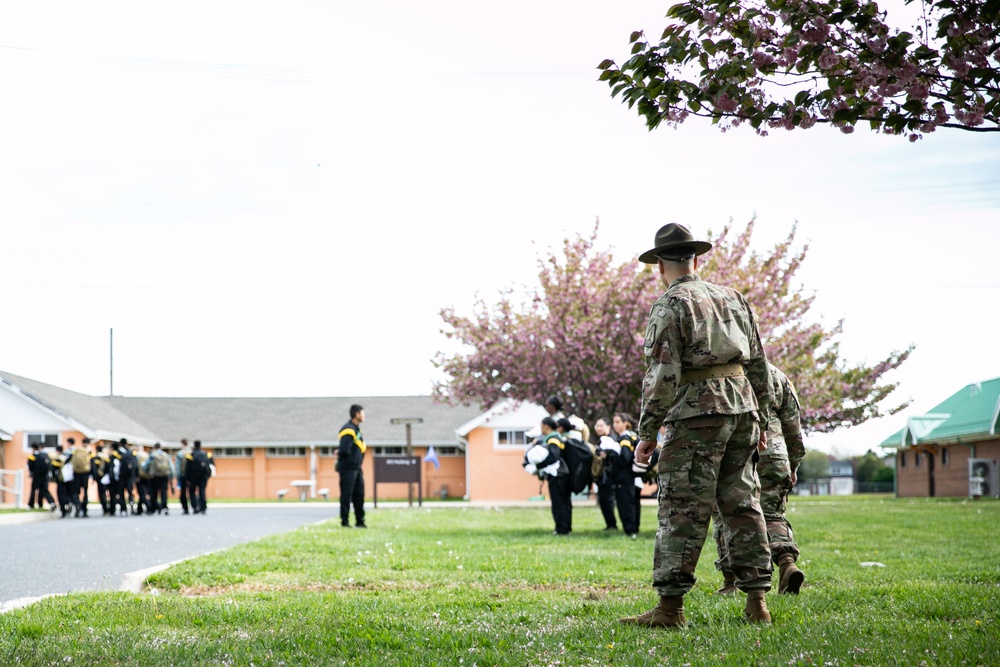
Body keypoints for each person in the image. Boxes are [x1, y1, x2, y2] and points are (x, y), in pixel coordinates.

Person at [619, 222, 775, 628]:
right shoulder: (733, 298)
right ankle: (757, 603)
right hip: (743, 409)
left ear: (659, 266)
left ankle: (670, 610)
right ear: (696, 259)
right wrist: (763, 419)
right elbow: (759, 364)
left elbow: (662, 374)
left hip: (696, 415)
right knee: (743, 504)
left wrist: (647, 432)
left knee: (682, 509)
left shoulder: (670, 304)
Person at [714, 363, 806, 595]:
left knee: (730, 515)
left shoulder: (726, 371)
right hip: (774, 453)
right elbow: (793, 427)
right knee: (773, 514)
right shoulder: (777, 376)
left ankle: (731, 581)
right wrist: (793, 464)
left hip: (738, 450)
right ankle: (786, 563)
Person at [522, 416, 572, 535]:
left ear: (546, 426)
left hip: (558, 475)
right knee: (564, 502)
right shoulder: (555, 437)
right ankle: (565, 527)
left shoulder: (553, 439)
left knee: (559, 503)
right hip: (562, 474)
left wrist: (538, 466)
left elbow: (553, 457)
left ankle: (561, 529)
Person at [337, 405, 367, 528]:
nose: (364, 416)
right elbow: (344, 450)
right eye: (363, 413)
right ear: (357, 414)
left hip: (357, 469)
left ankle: (360, 521)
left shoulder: (357, 430)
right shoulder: (347, 430)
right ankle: (345, 522)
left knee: (359, 495)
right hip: (348, 468)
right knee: (346, 495)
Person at [610, 413, 640, 538]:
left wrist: (610, 455)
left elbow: (625, 457)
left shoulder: (625, 438)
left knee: (625, 503)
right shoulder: (632, 436)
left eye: (618, 422)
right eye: (614, 422)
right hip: (633, 475)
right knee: (633, 503)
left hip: (625, 476)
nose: (615, 425)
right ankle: (633, 528)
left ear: (625, 424)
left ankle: (630, 530)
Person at [593, 418, 619, 531]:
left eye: (601, 425)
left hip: (609, 476)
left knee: (607, 500)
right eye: (597, 425)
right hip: (602, 476)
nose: (598, 428)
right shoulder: (601, 440)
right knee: (603, 500)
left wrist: (606, 455)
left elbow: (616, 455)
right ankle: (609, 524)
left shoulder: (611, 440)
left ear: (608, 427)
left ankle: (612, 525)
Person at [185, 440, 213, 514]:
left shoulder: (191, 455)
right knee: (202, 491)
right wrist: (208, 475)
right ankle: (203, 508)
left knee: (192, 492)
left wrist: (187, 478)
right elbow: (212, 465)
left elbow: (187, 468)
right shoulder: (206, 454)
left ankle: (195, 507)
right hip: (204, 477)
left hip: (193, 477)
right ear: (200, 446)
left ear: (194, 446)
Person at [26, 442, 55, 510]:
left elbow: (30, 466)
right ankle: (50, 502)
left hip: (36, 476)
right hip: (45, 476)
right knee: (44, 490)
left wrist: (32, 473)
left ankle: (31, 504)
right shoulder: (46, 455)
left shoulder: (33, 456)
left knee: (34, 490)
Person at [69, 437, 94, 517]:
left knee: (75, 492)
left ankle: (77, 504)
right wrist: (93, 475)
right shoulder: (89, 452)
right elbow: (92, 464)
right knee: (85, 492)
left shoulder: (76, 451)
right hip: (85, 473)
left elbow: (69, 461)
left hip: (76, 473)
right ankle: (84, 510)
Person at [148, 442, 173, 515]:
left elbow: (146, 465)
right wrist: (171, 476)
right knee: (164, 493)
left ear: (154, 447)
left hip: (154, 477)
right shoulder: (165, 455)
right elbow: (170, 466)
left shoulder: (152, 455)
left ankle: (155, 507)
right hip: (164, 476)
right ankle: (164, 507)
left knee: (154, 493)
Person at [92, 442, 112, 515]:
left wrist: (94, 478)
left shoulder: (96, 458)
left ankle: (105, 509)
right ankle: (110, 507)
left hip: (99, 478)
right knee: (109, 493)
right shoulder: (106, 457)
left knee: (102, 494)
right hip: (107, 477)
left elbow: (94, 468)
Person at [175, 438, 192, 514]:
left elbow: (178, 466)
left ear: (182, 444)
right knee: (192, 491)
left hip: (183, 475)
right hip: (192, 476)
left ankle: (185, 508)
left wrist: (177, 476)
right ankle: (195, 506)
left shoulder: (180, 453)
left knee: (183, 492)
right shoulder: (192, 452)